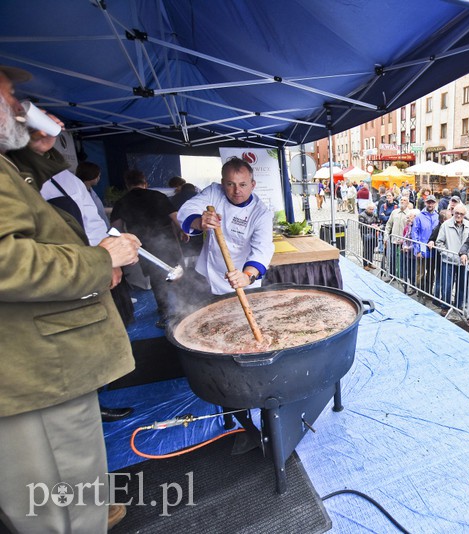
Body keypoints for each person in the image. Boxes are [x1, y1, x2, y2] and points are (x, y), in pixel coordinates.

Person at [0, 64, 141, 532]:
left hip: (43, 366)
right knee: (59, 504)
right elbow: (8, 261)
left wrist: (36, 150)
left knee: (76, 487)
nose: (20, 105)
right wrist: (101, 261)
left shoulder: (10, 162)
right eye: (10, 93)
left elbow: (26, 194)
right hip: (34, 369)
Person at [178, 157, 274, 295]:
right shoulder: (213, 192)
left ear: (253, 185)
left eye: (243, 185)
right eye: (230, 184)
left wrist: (247, 276)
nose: (237, 190)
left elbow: (262, 250)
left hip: (241, 278)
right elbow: (187, 210)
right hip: (208, 273)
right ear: (223, 183)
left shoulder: (261, 213)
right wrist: (199, 222)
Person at [111, 170, 186, 327]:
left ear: (127, 184)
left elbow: (116, 230)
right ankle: (184, 309)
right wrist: (183, 231)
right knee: (177, 273)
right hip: (167, 242)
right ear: (145, 183)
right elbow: (175, 217)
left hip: (144, 247)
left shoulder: (121, 202)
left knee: (156, 279)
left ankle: (165, 313)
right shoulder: (158, 196)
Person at [436, 203, 469, 315]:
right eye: (457, 213)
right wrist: (448, 254)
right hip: (448, 261)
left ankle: (458, 306)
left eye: (461, 214)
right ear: (453, 212)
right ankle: (445, 306)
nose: (459, 215)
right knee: (447, 285)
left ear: (464, 214)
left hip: (463, 262)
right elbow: (439, 242)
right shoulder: (446, 225)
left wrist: (468, 255)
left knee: (462, 285)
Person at [412, 194, 439, 294]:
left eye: (432, 202)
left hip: (433, 250)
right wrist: (417, 250)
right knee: (421, 272)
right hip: (422, 248)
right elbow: (414, 233)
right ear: (425, 203)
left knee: (431, 273)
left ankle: (428, 292)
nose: (430, 205)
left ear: (435, 203)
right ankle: (419, 290)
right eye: (428, 202)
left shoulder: (437, 216)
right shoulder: (419, 217)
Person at [384, 194, 411, 279]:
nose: (402, 201)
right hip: (394, 239)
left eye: (404, 200)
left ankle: (402, 277)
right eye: (401, 200)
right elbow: (389, 224)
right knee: (392, 258)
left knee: (403, 259)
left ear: (408, 203)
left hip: (404, 241)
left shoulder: (410, 213)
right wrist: (386, 235)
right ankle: (392, 275)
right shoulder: (394, 212)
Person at [358, 202, 380, 270]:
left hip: (373, 233)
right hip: (365, 233)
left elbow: (378, 222)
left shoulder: (374, 214)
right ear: (366, 208)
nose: (371, 211)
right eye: (370, 209)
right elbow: (361, 225)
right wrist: (369, 226)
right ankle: (365, 264)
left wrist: (377, 225)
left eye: (372, 209)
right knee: (366, 249)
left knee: (372, 248)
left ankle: (370, 263)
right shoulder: (362, 215)